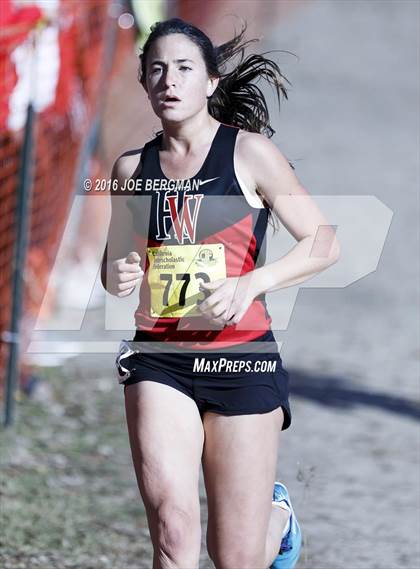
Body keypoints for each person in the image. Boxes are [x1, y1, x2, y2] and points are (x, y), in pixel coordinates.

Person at [101, 17, 340, 569]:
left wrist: (251, 282)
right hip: (159, 359)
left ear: (210, 82)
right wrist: (122, 272)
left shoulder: (249, 155)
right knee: (173, 534)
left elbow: (324, 242)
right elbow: (112, 270)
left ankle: (278, 521)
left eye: (184, 68)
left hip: (243, 361)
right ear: (144, 84)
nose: (169, 80)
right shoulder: (131, 169)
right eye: (156, 69)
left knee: (235, 557)